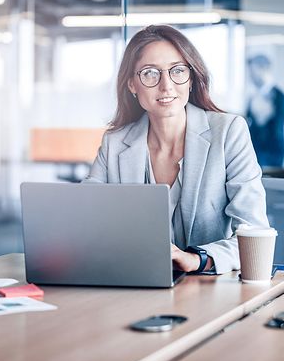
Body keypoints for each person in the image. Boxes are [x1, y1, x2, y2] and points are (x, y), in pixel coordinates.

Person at [85, 25, 269, 274]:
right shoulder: (115, 143)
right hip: (136, 283)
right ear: (132, 84)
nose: (166, 86)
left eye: (178, 71)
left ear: (191, 78)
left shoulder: (228, 132)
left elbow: (254, 233)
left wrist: (197, 260)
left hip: (210, 288)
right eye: (150, 73)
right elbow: (84, 221)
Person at [246, 54, 284, 167]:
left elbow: (275, 126)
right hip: (254, 152)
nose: (250, 75)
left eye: (253, 71)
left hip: (271, 154)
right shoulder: (254, 96)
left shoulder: (280, 97)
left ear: (263, 69)